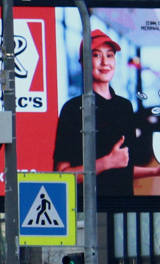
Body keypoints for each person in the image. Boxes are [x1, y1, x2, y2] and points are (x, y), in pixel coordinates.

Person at [53, 28, 160, 197]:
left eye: (110, 55)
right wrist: (106, 162)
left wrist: (155, 172)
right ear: (83, 62)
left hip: (123, 208)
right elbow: (62, 176)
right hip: (87, 209)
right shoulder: (72, 109)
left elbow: (123, 169)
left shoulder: (124, 106)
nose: (105, 62)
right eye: (96, 55)